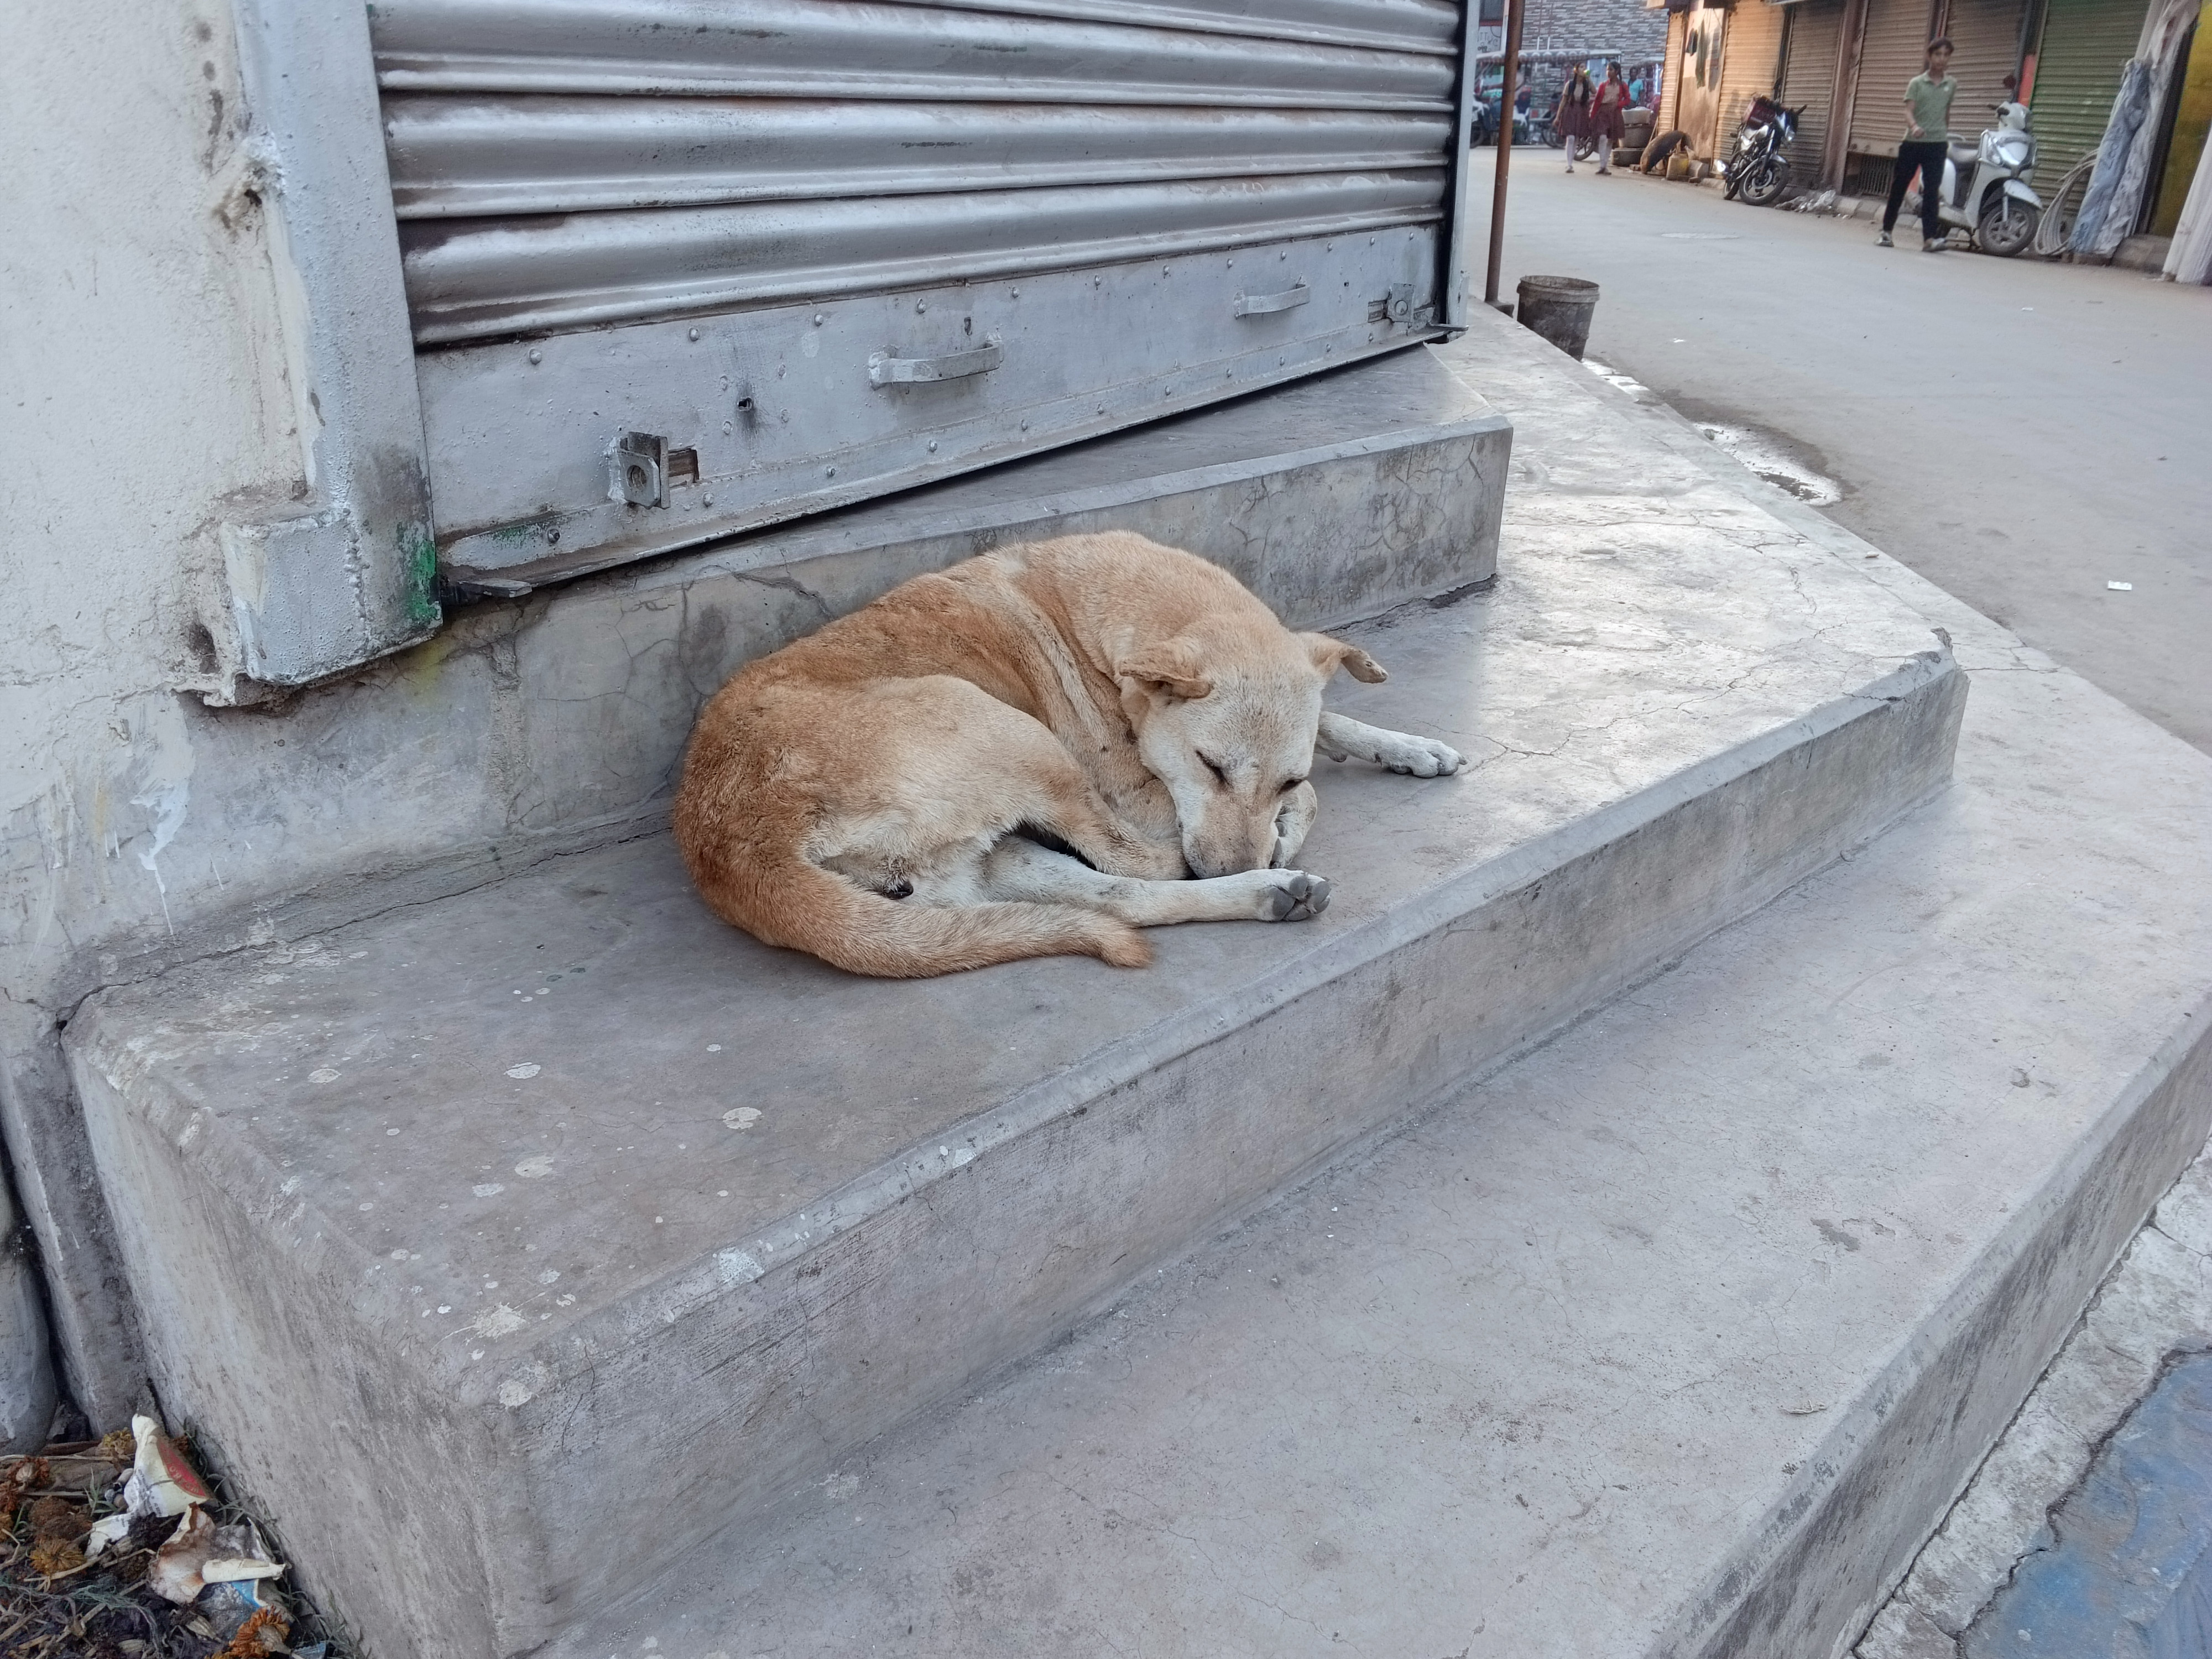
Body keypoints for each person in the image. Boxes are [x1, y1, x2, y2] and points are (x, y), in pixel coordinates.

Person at [1880, 38, 1957, 250]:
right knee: (1899, 187)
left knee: (1932, 191)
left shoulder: (1951, 85)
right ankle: (1886, 232)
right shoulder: (1917, 83)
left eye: (1946, 55)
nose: (1942, 59)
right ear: (1929, 56)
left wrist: (1945, 135)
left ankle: (1929, 240)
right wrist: (1914, 126)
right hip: (1913, 143)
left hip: (1937, 145)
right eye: (1938, 54)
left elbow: (1946, 112)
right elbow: (1908, 110)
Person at [1592, 61, 1631, 174]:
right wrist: (1593, 115)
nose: (1608, 72)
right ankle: (1601, 165)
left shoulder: (1623, 85)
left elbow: (1628, 100)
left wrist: (1618, 105)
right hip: (1603, 113)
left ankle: (1604, 166)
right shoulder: (1603, 85)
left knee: (1610, 140)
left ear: (1617, 72)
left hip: (1615, 113)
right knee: (1603, 138)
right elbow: (1597, 101)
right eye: (1607, 70)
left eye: (1611, 70)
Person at [1556, 66, 1595, 173]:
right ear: (1576, 71)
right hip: (1570, 110)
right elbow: (1564, 101)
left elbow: (1595, 91)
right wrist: (1558, 116)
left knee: (1577, 137)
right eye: (1582, 67)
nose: (1584, 69)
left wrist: (1589, 78)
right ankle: (1569, 164)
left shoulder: (1586, 84)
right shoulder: (1570, 84)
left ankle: (1571, 162)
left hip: (1582, 111)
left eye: (1585, 68)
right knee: (1571, 138)